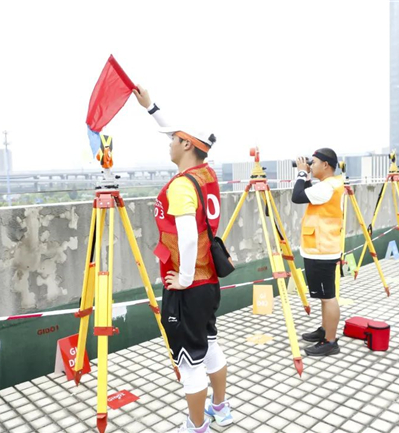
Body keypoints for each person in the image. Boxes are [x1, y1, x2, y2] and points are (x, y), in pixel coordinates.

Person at [133, 86, 232, 433]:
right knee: (211, 347)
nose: (169, 142)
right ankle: (220, 409)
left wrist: (184, 279)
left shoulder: (180, 186)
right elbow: (178, 132)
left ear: (187, 145)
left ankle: (196, 425)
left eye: (174, 139)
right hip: (209, 282)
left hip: (189, 287)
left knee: (190, 364)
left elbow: (188, 236)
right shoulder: (206, 175)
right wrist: (151, 108)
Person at [291, 148, 344, 356]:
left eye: (313, 163)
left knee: (328, 296)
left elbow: (297, 196)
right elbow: (307, 194)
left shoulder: (327, 187)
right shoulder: (329, 185)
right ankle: (325, 329)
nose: (311, 166)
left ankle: (330, 341)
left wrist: (301, 173)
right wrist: (306, 175)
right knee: (324, 296)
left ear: (326, 165)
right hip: (320, 246)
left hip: (322, 249)